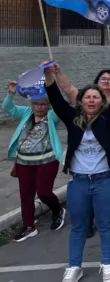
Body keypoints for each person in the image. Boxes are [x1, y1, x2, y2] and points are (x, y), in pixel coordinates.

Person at [44, 64, 110, 282]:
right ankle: (74, 266)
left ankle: (107, 263)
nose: (91, 101)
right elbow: (56, 99)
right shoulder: (72, 118)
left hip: (105, 179)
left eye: (96, 97)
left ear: (102, 101)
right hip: (79, 181)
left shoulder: (109, 119)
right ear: (80, 101)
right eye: (87, 97)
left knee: (106, 224)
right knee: (79, 226)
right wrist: (50, 76)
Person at [4, 81, 64, 241]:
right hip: (24, 163)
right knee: (26, 195)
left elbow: (61, 106)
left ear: (47, 105)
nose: (39, 107)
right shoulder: (25, 113)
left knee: (44, 192)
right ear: (31, 104)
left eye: (43, 104)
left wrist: (53, 87)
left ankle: (57, 210)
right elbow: (8, 108)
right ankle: (29, 226)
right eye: (36, 104)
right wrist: (11, 93)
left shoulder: (52, 117)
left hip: (47, 161)